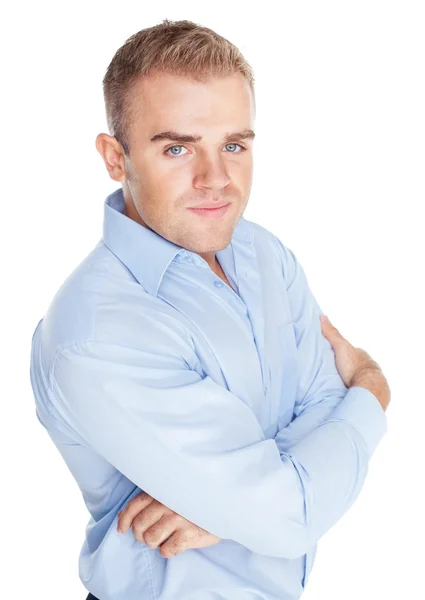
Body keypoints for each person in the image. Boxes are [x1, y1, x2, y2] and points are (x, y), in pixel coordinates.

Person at [29, 18, 390, 600]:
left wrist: (231, 506)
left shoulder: (264, 253)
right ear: (115, 158)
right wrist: (372, 392)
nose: (216, 179)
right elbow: (290, 515)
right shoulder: (98, 331)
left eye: (233, 145)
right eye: (177, 147)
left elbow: (322, 406)